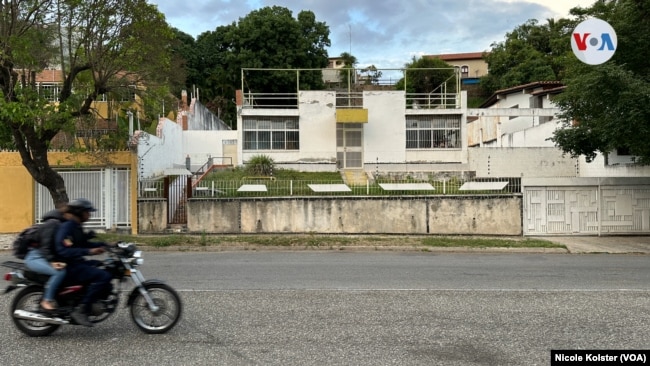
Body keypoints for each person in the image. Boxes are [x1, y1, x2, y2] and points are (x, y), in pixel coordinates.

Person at [54, 198, 110, 327]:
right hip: (69, 266)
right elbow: (63, 250)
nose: (89, 215)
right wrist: (89, 251)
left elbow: (85, 244)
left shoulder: (77, 226)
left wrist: (106, 245)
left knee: (104, 267)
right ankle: (82, 309)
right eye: (87, 212)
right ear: (80, 212)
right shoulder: (67, 227)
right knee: (103, 276)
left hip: (77, 263)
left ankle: (92, 299)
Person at [24, 206, 71, 311]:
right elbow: (46, 246)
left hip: (42, 257)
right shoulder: (52, 224)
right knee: (59, 272)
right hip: (35, 258)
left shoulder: (60, 225)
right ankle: (46, 300)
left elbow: (65, 244)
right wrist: (52, 262)